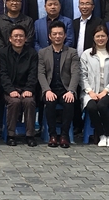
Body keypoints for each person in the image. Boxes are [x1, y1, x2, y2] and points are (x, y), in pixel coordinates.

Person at [37, 21, 79, 149]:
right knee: (49, 103)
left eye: (60, 34)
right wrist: (46, 90)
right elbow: (41, 73)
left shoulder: (72, 52)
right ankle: (53, 135)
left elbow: (75, 73)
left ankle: (64, 135)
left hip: (66, 88)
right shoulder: (43, 53)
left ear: (65, 35)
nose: (57, 36)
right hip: (50, 88)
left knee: (69, 103)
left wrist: (71, 91)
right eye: (54, 34)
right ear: (49, 36)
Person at [80, 24, 109, 147]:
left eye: (103, 36)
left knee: (102, 106)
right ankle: (102, 135)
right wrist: (90, 91)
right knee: (92, 107)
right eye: (98, 36)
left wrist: (105, 91)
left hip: (108, 92)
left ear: (107, 37)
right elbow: (82, 75)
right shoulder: (86, 54)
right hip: (90, 92)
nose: (100, 39)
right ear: (93, 38)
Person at [0, 26, 39, 147]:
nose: (18, 38)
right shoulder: (3, 53)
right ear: (10, 38)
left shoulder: (32, 53)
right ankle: (11, 135)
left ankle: (30, 135)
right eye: (15, 36)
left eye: (21, 36)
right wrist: (10, 90)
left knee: (29, 101)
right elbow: (2, 74)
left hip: (26, 88)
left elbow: (33, 73)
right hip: (9, 90)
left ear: (25, 38)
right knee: (14, 102)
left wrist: (29, 89)